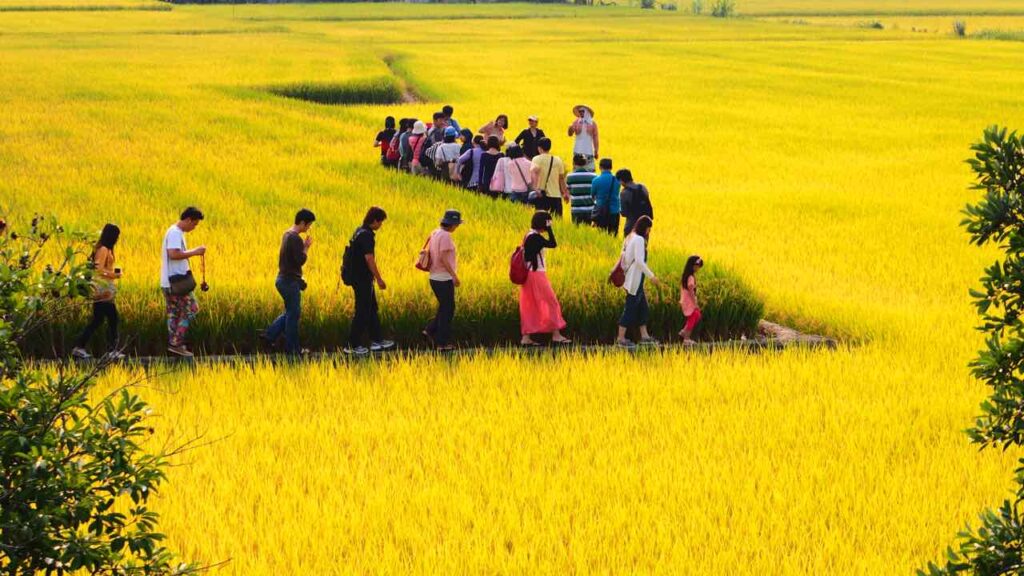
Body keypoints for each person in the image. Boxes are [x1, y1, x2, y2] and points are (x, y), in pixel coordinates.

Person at [262, 209, 315, 356]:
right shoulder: (295, 238)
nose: (308, 228)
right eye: (308, 225)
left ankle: (269, 336)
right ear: (302, 223)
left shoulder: (287, 234)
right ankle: (293, 350)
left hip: (283, 279)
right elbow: (300, 260)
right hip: (289, 282)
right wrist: (306, 247)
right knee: (293, 316)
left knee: (291, 312)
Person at [344, 207, 394, 356]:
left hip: (358, 277)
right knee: (362, 311)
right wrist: (379, 279)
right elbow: (369, 259)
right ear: (374, 221)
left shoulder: (359, 231)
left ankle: (377, 340)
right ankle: (351, 345)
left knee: (371, 309)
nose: (381, 225)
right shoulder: (366, 236)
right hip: (362, 279)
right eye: (380, 222)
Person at [71, 224, 124, 360]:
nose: (117, 238)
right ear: (112, 236)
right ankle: (111, 350)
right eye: (116, 236)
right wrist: (114, 275)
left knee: (98, 320)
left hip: (103, 287)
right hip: (103, 289)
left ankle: (79, 347)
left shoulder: (103, 248)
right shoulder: (104, 249)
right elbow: (98, 269)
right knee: (112, 318)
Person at [519, 211, 571, 347]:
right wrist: (549, 229)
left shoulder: (528, 235)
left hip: (528, 275)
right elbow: (553, 244)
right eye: (548, 222)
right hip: (536, 275)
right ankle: (556, 335)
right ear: (543, 223)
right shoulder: (535, 237)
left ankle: (526, 337)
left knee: (529, 305)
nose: (549, 224)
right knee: (551, 302)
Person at [160, 206, 206, 358]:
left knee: (173, 314)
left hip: (168, 282)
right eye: (194, 224)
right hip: (176, 283)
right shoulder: (175, 233)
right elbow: (173, 254)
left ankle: (174, 345)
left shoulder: (174, 231)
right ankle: (176, 343)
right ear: (188, 219)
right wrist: (196, 252)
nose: (194, 227)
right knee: (191, 308)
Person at [616, 216, 661, 349]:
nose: (649, 232)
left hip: (630, 278)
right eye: (649, 229)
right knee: (630, 308)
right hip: (635, 279)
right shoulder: (639, 240)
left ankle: (645, 335)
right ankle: (621, 337)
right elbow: (640, 262)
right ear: (645, 228)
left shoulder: (630, 237)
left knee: (643, 308)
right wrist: (652, 277)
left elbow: (623, 257)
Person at [423, 210, 462, 352]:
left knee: (445, 307)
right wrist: (454, 275)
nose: (457, 227)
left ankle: (429, 330)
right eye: (457, 224)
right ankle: (442, 343)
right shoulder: (445, 236)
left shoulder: (436, 232)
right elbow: (443, 258)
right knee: (448, 310)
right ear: (452, 224)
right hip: (443, 278)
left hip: (434, 277)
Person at [530, 138, 568, 216]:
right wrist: (565, 193)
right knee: (557, 221)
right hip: (556, 196)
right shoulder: (558, 160)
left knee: (542, 222)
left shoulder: (536, 159)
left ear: (539, 148)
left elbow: (533, 172)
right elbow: (561, 178)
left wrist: (535, 188)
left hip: (542, 195)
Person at [618, 168, 653, 235]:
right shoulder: (643, 187)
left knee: (629, 244)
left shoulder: (624, 193)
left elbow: (624, 213)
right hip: (645, 225)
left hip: (631, 225)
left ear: (621, 180)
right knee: (643, 244)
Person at [591, 158, 621, 236]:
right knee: (613, 235)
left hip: (601, 212)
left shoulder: (596, 180)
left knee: (601, 235)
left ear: (600, 167)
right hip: (614, 211)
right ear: (611, 167)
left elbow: (592, 195)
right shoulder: (617, 180)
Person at [679, 255, 704, 344]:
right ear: (692, 266)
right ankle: (686, 337)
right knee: (694, 315)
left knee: (695, 315)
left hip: (685, 301)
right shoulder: (690, 277)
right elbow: (690, 289)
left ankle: (684, 331)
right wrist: (695, 302)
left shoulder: (686, 276)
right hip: (689, 301)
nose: (698, 269)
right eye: (697, 266)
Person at [566, 153, 597, 225]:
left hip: (576, 210)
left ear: (573, 163)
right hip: (590, 210)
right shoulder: (594, 176)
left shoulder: (570, 177)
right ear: (586, 163)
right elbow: (596, 194)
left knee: (577, 233)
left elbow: (568, 192)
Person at [567, 104, 599, 172]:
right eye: (580, 111)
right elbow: (570, 134)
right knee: (576, 169)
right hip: (578, 149)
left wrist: (596, 150)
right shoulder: (576, 122)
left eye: (582, 111)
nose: (581, 113)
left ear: (586, 112)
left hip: (589, 150)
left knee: (590, 169)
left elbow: (595, 137)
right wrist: (570, 128)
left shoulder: (593, 123)